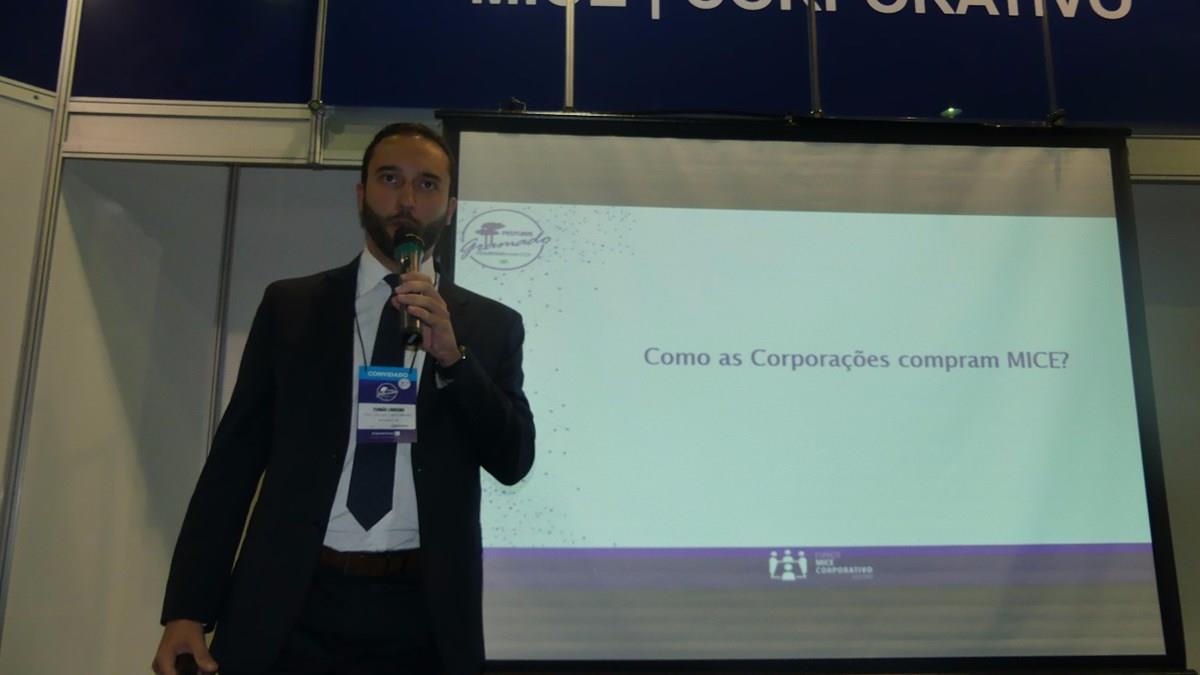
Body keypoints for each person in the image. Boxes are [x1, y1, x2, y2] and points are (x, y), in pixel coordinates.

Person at [151, 122, 536, 675]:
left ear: (451, 208)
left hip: (423, 612)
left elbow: (513, 460)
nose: (407, 200)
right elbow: (233, 464)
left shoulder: (491, 326)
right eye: (390, 179)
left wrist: (455, 360)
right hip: (293, 601)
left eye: (427, 184)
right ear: (361, 195)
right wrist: (188, 608)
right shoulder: (292, 307)